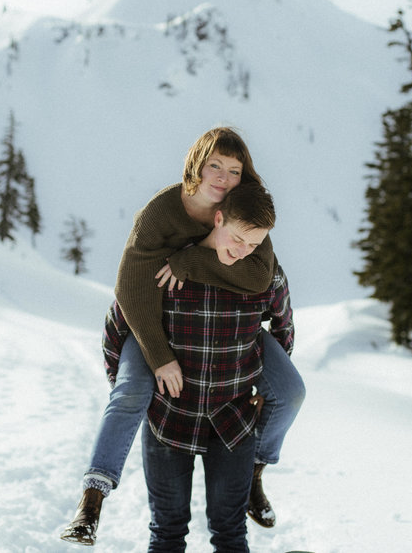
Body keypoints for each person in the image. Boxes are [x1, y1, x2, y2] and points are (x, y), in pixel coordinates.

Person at [61, 127, 305, 546]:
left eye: (234, 170)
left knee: (290, 390)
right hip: (155, 339)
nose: (224, 177)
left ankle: (256, 472)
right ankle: (92, 496)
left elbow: (266, 285)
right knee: (131, 392)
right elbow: (128, 295)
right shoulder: (162, 214)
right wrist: (152, 358)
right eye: (215, 166)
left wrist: (192, 261)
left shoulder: (249, 222)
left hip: (232, 405)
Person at [107, 182, 292, 552]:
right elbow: (119, 325)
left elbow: (283, 325)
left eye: (254, 245)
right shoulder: (168, 265)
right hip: (169, 418)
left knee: (230, 533)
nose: (242, 252)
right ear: (219, 218)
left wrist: (263, 389)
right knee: (167, 532)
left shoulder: (263, 273)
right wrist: (131, 385)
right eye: (238, 239)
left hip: (233, 422)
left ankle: (257, 475)